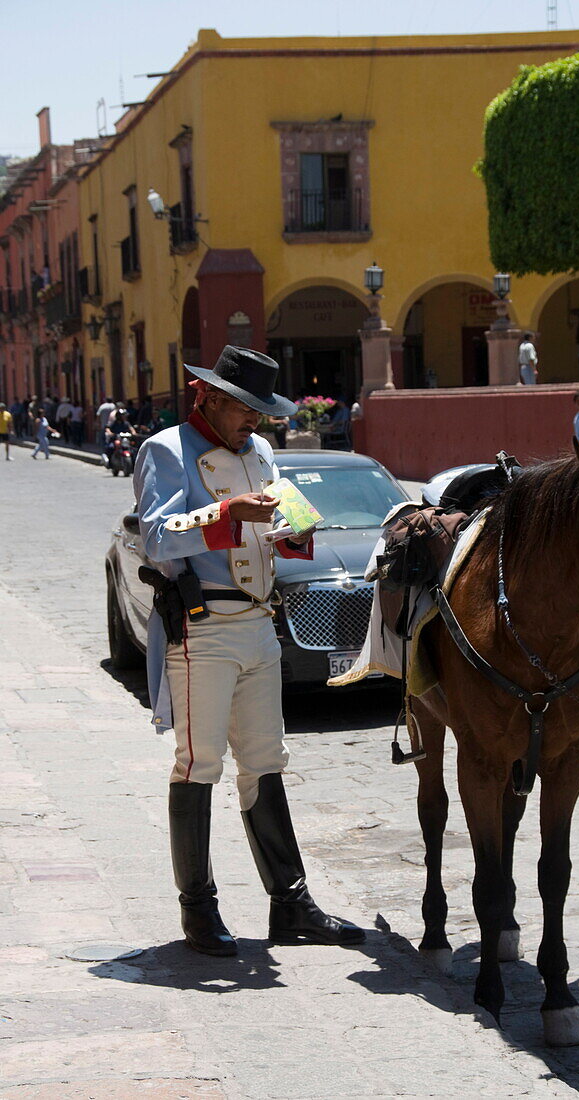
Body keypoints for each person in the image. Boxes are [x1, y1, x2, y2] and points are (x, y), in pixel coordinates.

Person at [133, 345, 364, 956]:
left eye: (261, 409)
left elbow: (285, 532)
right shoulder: (164, 449)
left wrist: (298, 531)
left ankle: (290, 904)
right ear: (203, 395)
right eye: (244, 407)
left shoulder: (262, 453)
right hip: (203, 627)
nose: (254, 420)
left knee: (266, 760)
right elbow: (156, 537)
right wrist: (226, 512)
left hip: (261, 624)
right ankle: (198, 911)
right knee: (199, 763)